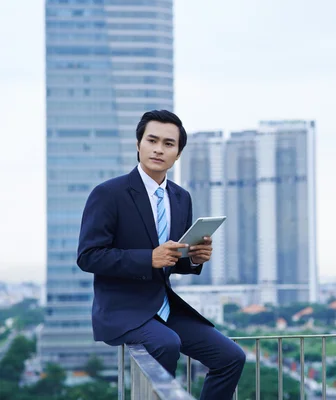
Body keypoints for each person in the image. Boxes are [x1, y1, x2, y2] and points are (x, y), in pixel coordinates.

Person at [77, 110, 246, 399]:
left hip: (165, 308)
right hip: (123, 310)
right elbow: (89, 256)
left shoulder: (181, 197)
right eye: (152, 140)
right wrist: (148, 258)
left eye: (169, 144)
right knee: (166, 344)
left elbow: (172, 259)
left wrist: (193, 258)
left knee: (232, 357)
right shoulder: (109, 193)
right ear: (138, 144)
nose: (158, 149)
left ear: (178, 154)